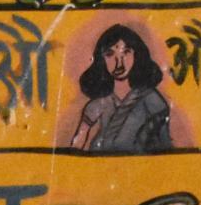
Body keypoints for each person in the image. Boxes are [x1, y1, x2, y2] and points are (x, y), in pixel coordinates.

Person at [69, 24, 173, 154]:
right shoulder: (99, 103)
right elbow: (77, 143)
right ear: (101, 59)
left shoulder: (152, 100)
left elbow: (165, 149)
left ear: (137, 55)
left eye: (126, 52)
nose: (119, 63)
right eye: (109, 54)